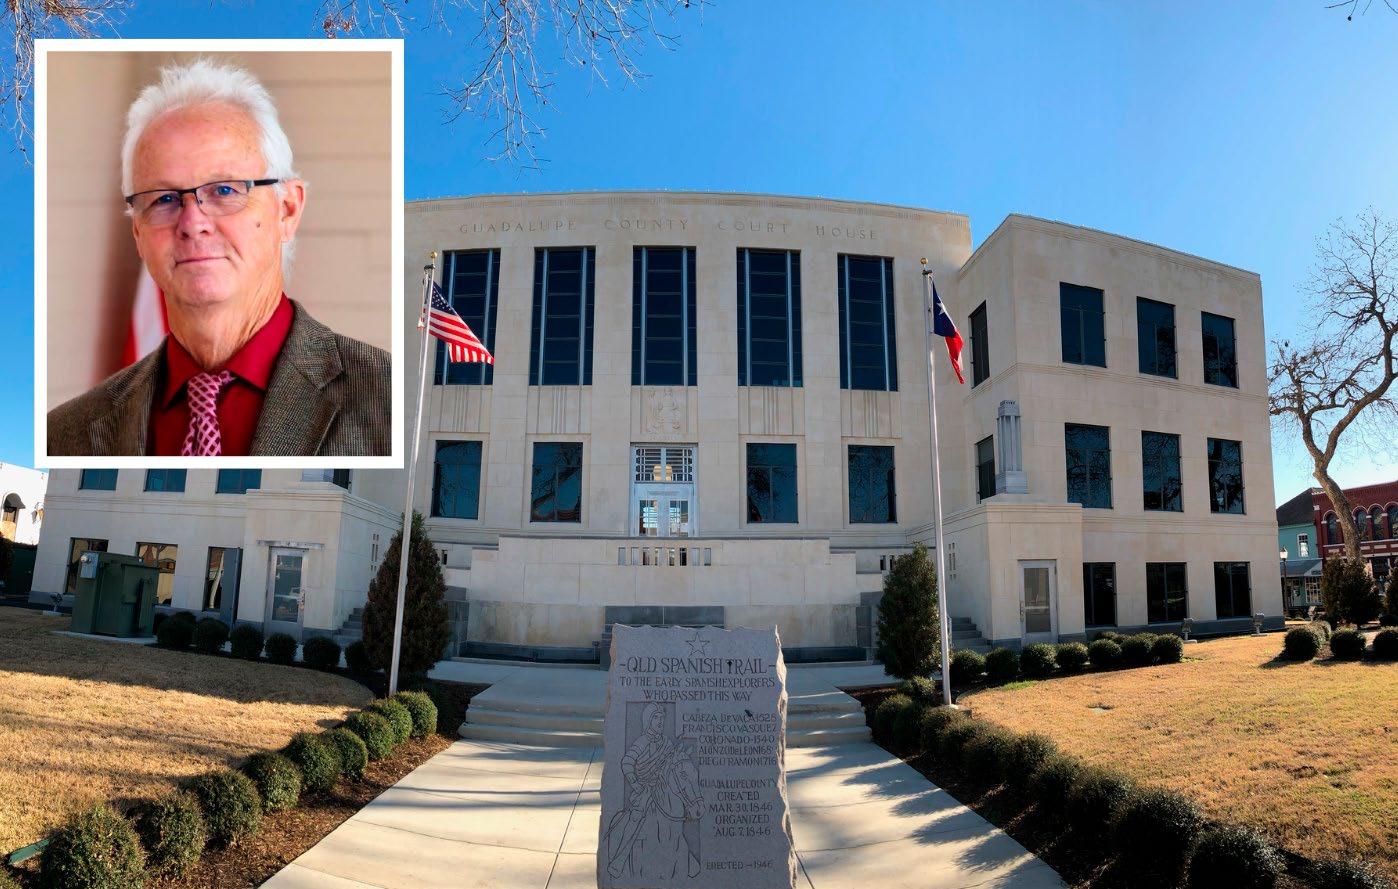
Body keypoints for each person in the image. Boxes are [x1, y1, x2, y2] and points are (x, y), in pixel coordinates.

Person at [47, 59, 389, 457]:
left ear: (287, 210)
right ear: (138, 233)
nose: (193, 223)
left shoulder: (390, 401)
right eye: (163, 199)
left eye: (225, 190)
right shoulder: (65, 434)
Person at [603, 703, 704, 880]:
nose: (660, 721)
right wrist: (635, 783)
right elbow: (627, 762)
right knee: (636, 817)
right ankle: (619, 860)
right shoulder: (643, 741)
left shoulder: (666, 742)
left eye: (662, 718)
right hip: (645, 790)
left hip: (663, 787)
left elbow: (672, 763)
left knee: (675, 814)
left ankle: (687, 858)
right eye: (656, 718)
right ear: (648, 720)